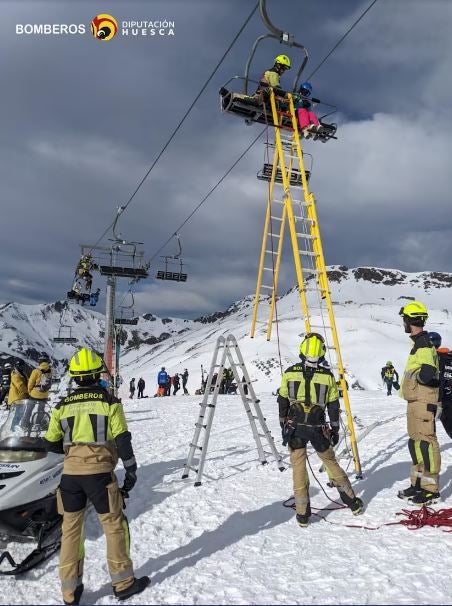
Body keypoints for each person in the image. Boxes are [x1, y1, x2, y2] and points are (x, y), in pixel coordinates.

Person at [44, 348, 149, 604]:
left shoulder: (62, 406)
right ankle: (123, 583)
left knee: (70, 531)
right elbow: (123, 440)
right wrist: (131, 470)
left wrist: (72, 453)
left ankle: (70, 592)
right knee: (114, 527)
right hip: (100, 476)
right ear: (96, 374)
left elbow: (51, 443)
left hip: (70, 478)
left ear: (75, 376)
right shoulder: (109, 403)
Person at [278, 333, 363, 527]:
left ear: (302, 349)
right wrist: (334, 430)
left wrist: (283, 423)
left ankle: (302, 515)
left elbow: (282, 399)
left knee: (298, 468)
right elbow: (333, 406)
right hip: (317, 428)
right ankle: (352, 502)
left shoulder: (290, 372)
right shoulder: (327, 377)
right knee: (331, 463)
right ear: (322, 352)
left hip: (295, 428)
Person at [398, 302, 440, 505]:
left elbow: (428, 372)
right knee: (415, 443)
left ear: (410, 320)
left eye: (404, 319)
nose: (403, 323)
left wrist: (415, 379)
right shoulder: (418, 343)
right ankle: (418, 483)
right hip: (415, 401)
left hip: (423, 400)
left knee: (426, 443)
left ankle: (430, 489)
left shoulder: (423, 343)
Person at [428, 332, 452, 439]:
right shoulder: (449, 356)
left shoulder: (433, 357)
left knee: (429, 423)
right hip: (449, 394)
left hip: (437, 396)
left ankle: (430, 446)